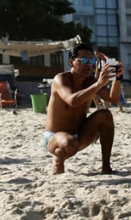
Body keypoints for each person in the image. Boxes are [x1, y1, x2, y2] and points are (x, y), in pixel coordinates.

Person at [44, 43, 124, 175]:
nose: (89, 64)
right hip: (55, 137)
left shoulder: (90, 81)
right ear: (71, 62)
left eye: (91, 61)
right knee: (69, 144)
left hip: (80, 134)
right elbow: (73, 101)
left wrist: (118, 77)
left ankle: (106, 167)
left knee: (105, 115)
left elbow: (113, 99)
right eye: (84, 60)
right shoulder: (61, 79)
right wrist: (99, 84)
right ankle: (59, 159)